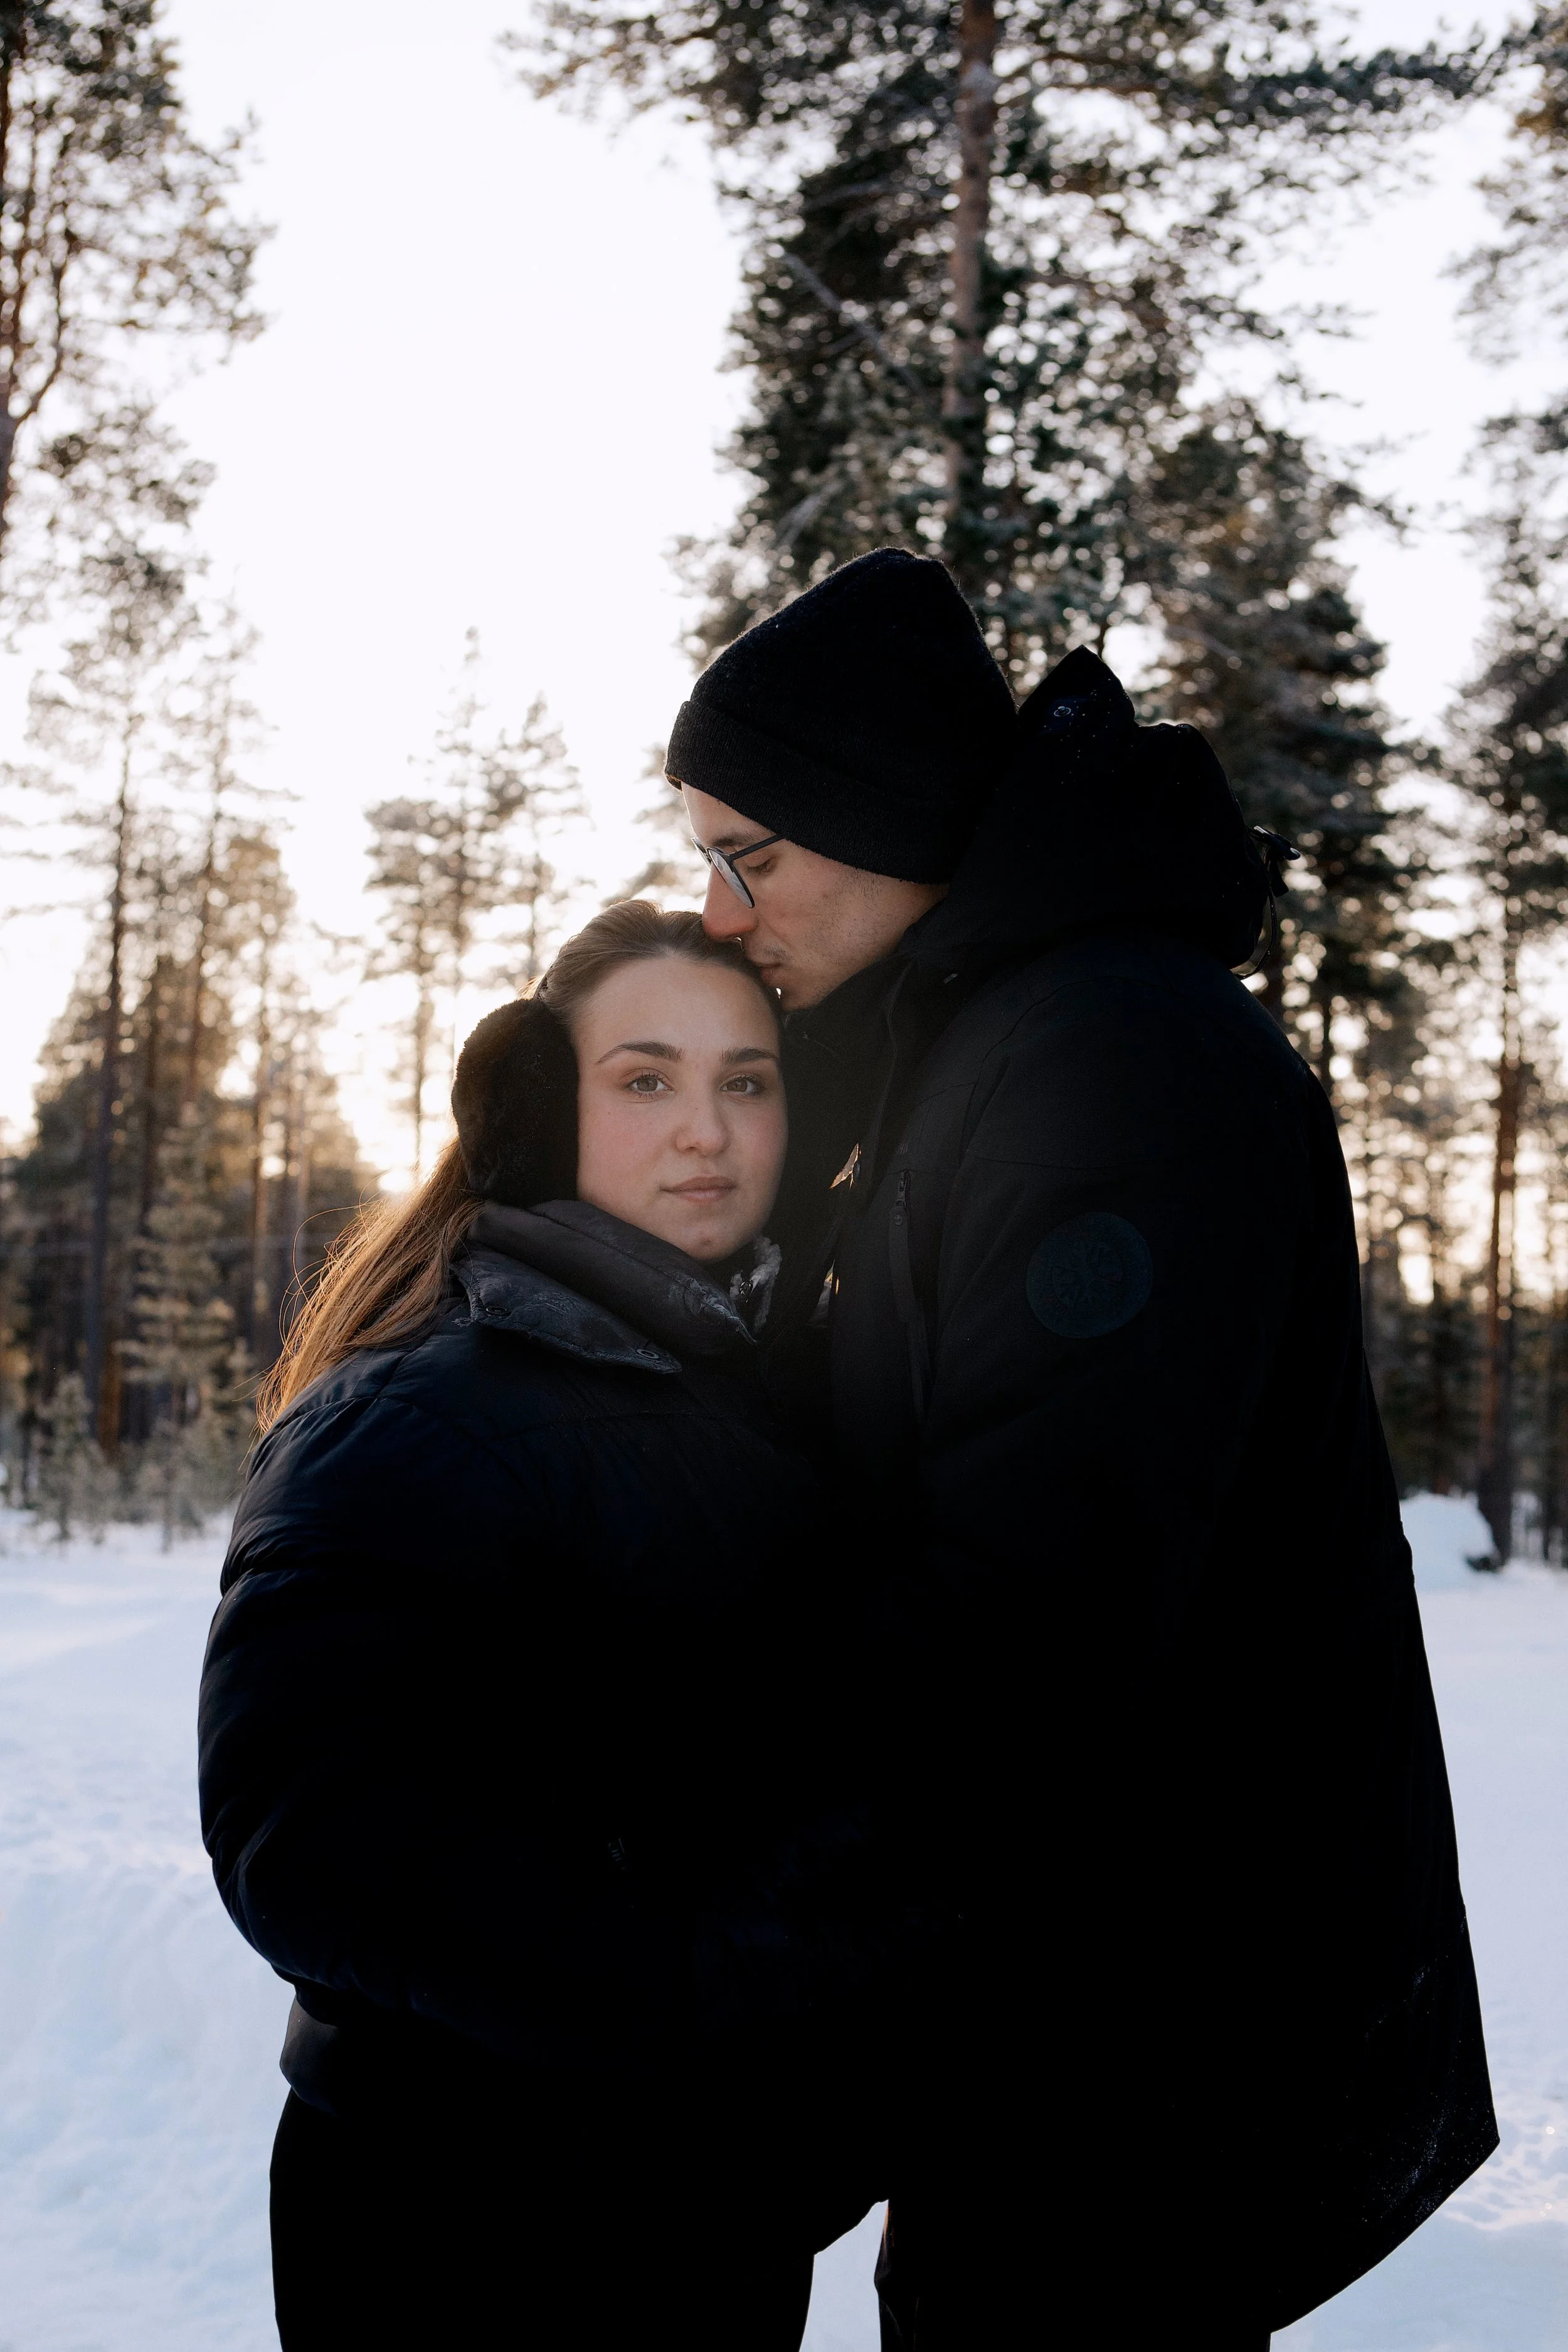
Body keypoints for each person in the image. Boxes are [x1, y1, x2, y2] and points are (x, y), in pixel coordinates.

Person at [665, 548, 1499, 2348]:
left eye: (751, 853)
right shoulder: (994, 1042)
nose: (722, 912)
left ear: (878, 819)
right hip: (1053, 2006)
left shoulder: (1107, 1062)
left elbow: (1032, 1615)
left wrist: (703, 1841)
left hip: (1146, 2038)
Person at [198, 902, 898, 2351]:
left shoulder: (758, 1399)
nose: (704, 1129)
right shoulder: (415, 1413)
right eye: (643, 1080)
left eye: (745, 1081)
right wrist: (710, 1989)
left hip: (694, 2213)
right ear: (535, 1110)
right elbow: (305, 1837)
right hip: (464, 2220)